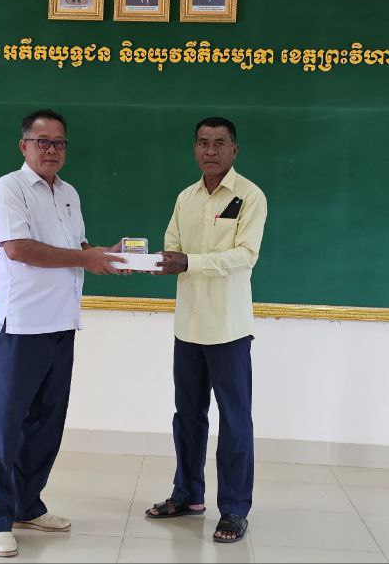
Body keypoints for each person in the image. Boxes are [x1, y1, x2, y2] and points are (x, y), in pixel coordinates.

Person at [0, 109, 123, 558]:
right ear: (24, 145)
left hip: (63, 323)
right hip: (23, 326)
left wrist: (101, 254)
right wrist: (84, 259)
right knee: (6, 425)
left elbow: (75, 247)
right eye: (43, 142)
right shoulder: (9, 188)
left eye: (60, 142)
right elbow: (19, 248)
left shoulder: (69, 193)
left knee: (46, 425)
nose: (52, 150)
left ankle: (26, 505)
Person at [145, 116, 267, 545]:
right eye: (202, 143)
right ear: (194, 148)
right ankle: (187, 495)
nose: (210, 151)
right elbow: (173, 245)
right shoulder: (186, 197)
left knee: (235, 421)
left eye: (219, 143)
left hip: (228, 329)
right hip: (188, 326)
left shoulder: (250, 196)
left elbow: (245, 255)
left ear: (234, 150)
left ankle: (233, 508)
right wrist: (154, 260)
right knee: (188, 416)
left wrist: (189, 262)